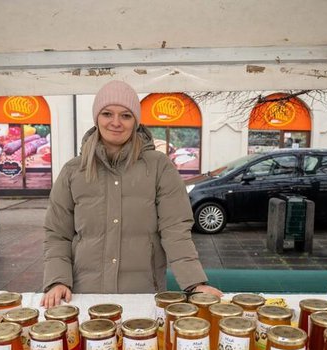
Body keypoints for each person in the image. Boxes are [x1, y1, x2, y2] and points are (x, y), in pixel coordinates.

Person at [41, 80, 222, 307]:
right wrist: (58, 280)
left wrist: (194, 284)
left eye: (125, 115)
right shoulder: (73, 171)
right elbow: (58, 233)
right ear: (97, 117)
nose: (116, 122)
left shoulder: (159, 167)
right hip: (84, 296)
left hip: (142, 296)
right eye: (107, 113)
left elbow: (175, 230)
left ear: (135, 121)